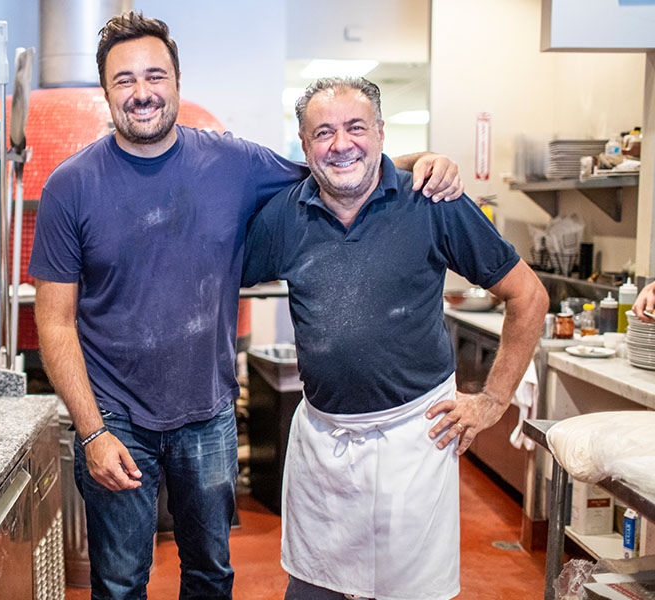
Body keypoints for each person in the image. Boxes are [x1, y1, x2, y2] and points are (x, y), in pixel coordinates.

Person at [28, 12, 464, 600]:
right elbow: (53, 323)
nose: (141, 92)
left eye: (154, 75)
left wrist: (420, 160)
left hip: (207, 413)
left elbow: (335, 166)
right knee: (120, 580)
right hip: (115, 416)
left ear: (178, 81)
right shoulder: (69, 186)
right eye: (123, 80)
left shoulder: (233, 163)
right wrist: (91, 432)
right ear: (106, 92)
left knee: (210, 574)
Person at [242, 77, 549, 600]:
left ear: (381, 133)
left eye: (356, 127)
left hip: (415, 440)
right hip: (325, 444)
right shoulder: (283, 218)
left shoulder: (432, 201)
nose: (340, 144)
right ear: (303, 140)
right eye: (323, 133)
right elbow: (210, 278)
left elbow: (529, 297)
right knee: (313, 591)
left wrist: (493, 400)